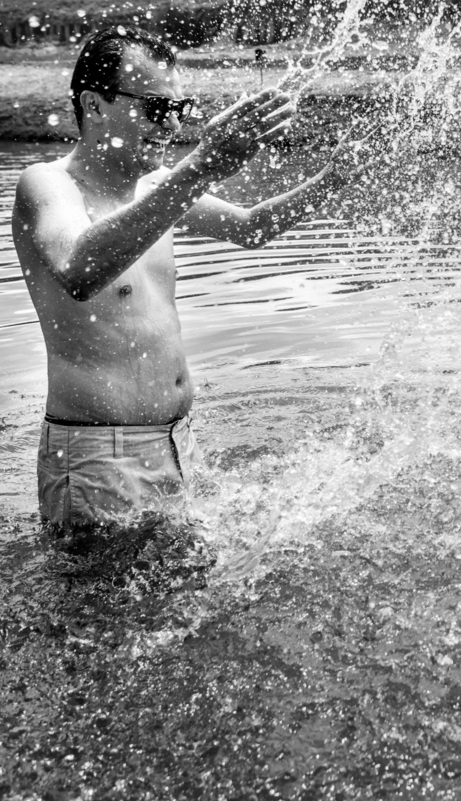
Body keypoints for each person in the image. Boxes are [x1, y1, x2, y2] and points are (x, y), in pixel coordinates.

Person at [11, 25, 357, 550]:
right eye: (155, 108)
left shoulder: (157, 187)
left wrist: (335, 179)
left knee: (192, 589)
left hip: (179, 441)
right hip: (99, 455)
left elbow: (252, 227)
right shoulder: (47, 184)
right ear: (94, 104)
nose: (172, 124)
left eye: (180, 108)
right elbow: (79, 269)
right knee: (107, 601)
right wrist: (200, 169)